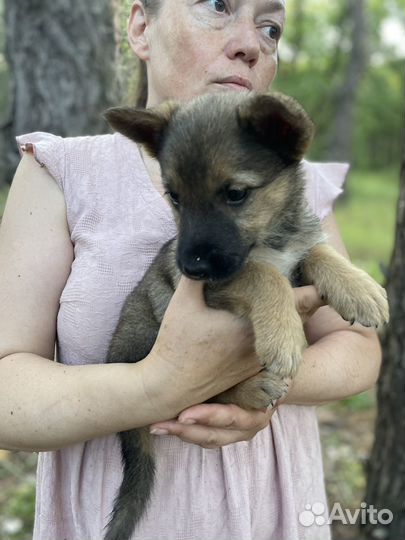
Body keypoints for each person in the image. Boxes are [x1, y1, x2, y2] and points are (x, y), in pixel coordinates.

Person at [0, 1, 382, 539]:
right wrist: (159, 386)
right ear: (140, 27)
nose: (250, 41)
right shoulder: (59, 173)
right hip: (110, 498)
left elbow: (359, 349)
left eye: (270, 27)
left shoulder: (299, 183)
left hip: (266, 507)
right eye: (216, 5)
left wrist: (260, 382)